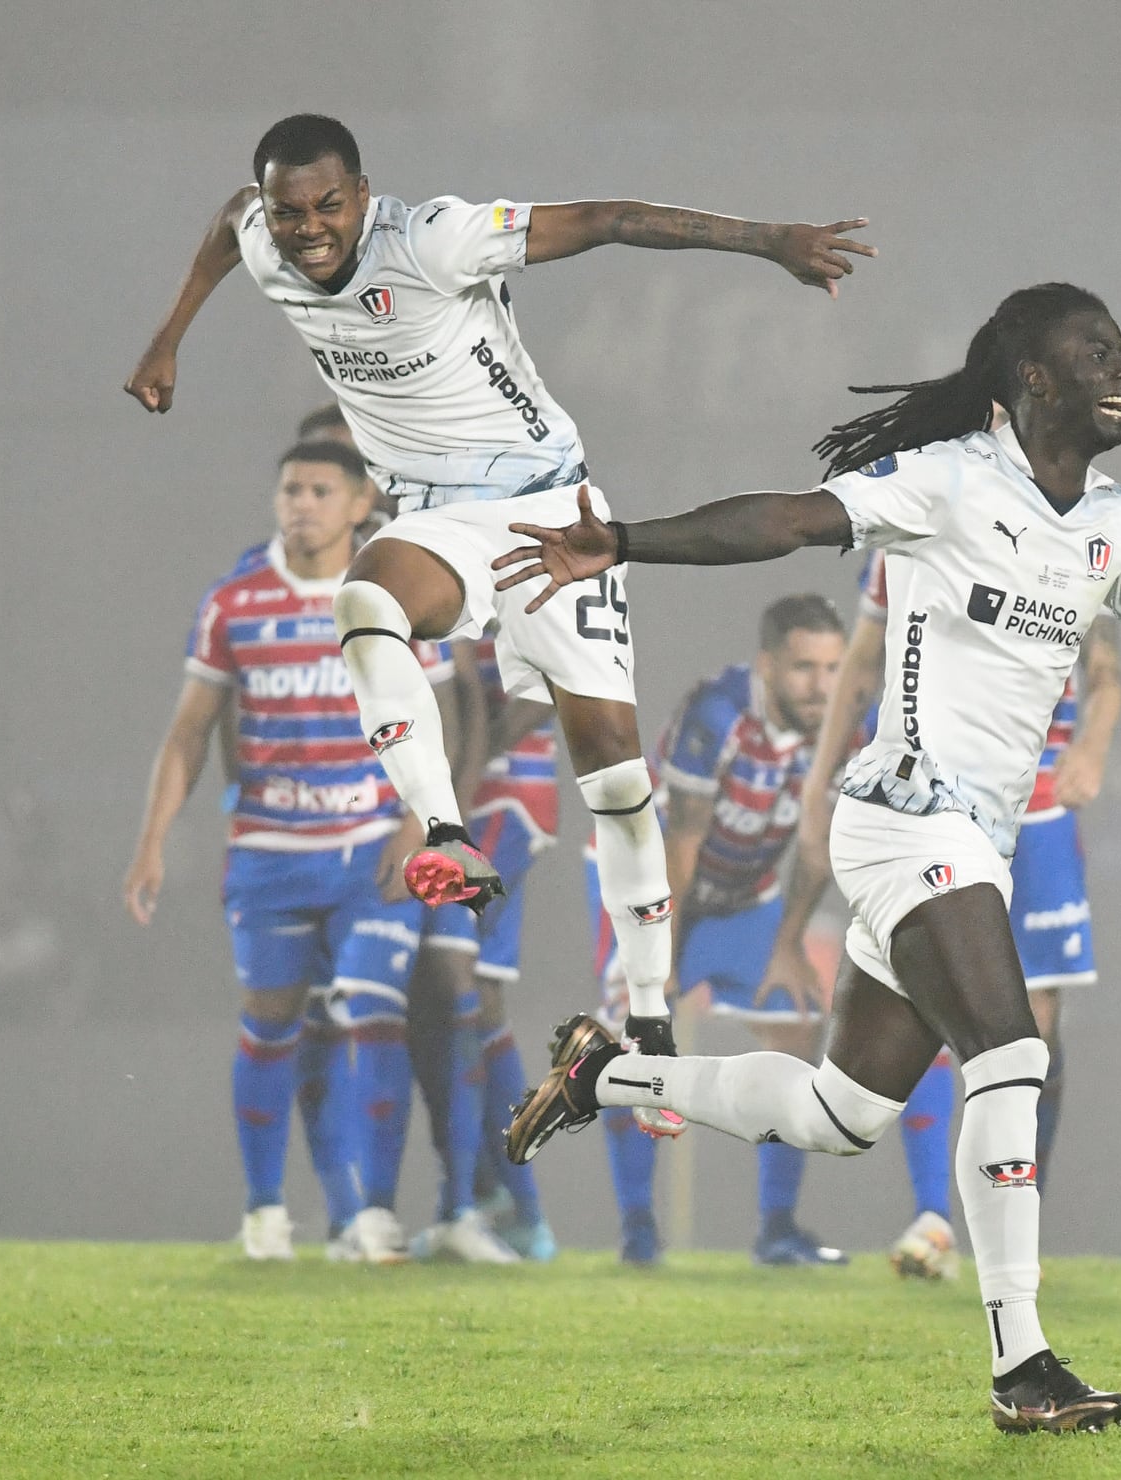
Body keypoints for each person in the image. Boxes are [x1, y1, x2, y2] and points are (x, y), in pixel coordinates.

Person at [499, 282, 1121, 1433]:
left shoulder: (1117, 518)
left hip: (976, 843)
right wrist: (619, 542)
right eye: (1096, 351)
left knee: (842, 1112)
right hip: (908, 818)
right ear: (1035, 379)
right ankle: (1024, 1364)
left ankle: (602, 1074)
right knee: (1012, 1056)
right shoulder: (950, 478)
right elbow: (787, 521)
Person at [125, 112, 876, 1079]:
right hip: (434, 519)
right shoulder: (263, 235)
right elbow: (227, 230)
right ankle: (443, 831)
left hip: (549, 520)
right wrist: (166, 340)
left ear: (362, 192)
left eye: (328, 204)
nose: (308, 227)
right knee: (363, 602)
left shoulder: (434, 238)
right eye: (289, 209)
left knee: (616, 782)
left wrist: (766, 241)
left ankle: (648, 1015)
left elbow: (608, 218)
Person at [123, 441, 457, 1262]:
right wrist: (152, 844)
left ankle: (373, 1213)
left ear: (357, 504)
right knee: (272, 1025)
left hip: (369, 849)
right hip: (270, 850)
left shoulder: (396, 593)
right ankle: (265, 1210)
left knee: (375, 1014)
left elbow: (438, 718)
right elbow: (189, 733)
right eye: (289, 490)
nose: (300, 504)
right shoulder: (235, 601)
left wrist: (421, 822)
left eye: (317, 490)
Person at [786, 545, 1119, 1273]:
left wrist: (1091, 745)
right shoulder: (912, 521)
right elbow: (862, 665)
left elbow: (1106, 669)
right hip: (933, 808)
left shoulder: (1073, 530)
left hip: (1037, 821)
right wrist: (819, 782)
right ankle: (935, 1214)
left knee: (1028, 1034)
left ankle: (1017, 1213)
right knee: (938, 1006)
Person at [591, 594, 923, 1269]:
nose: (822, 685)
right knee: (631, 1040)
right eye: (804, 668)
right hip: (648, 893)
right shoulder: (717, 713)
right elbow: (679, 846)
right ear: (767, 664)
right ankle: (637, 1229)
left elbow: (816, 845)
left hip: (748, 898)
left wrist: (787, 945)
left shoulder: (844, 729)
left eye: (834, 668)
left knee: (794, 1025)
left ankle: (776, 1229)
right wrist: (660, 966)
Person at [407, 628, 560, 1262]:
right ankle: (518, 1210)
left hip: (495, 800)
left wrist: (467, 766)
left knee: (453, 988)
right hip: (501, 798)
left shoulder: (516, 558)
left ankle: (465, 1207)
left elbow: (556, 676)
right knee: (474, 1004)